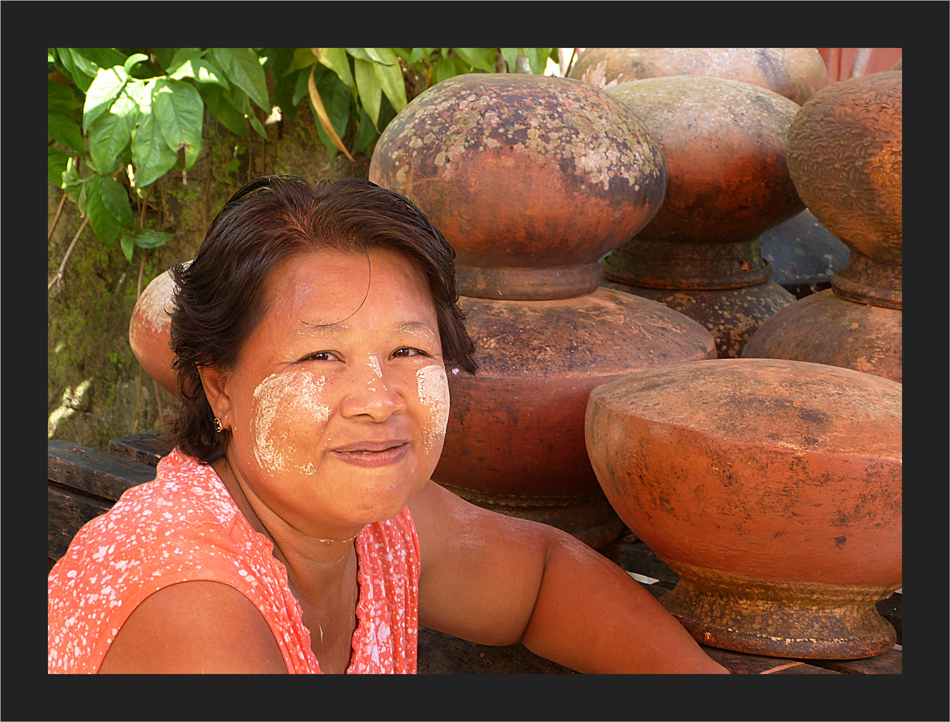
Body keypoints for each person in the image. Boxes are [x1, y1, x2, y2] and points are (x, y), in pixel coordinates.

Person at [48, 175, 728, 674]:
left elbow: (544, 579)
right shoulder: (193, 613)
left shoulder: (380, 529)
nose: (378, 399)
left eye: (408, 350)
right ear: (219, 388)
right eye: (321, 355)